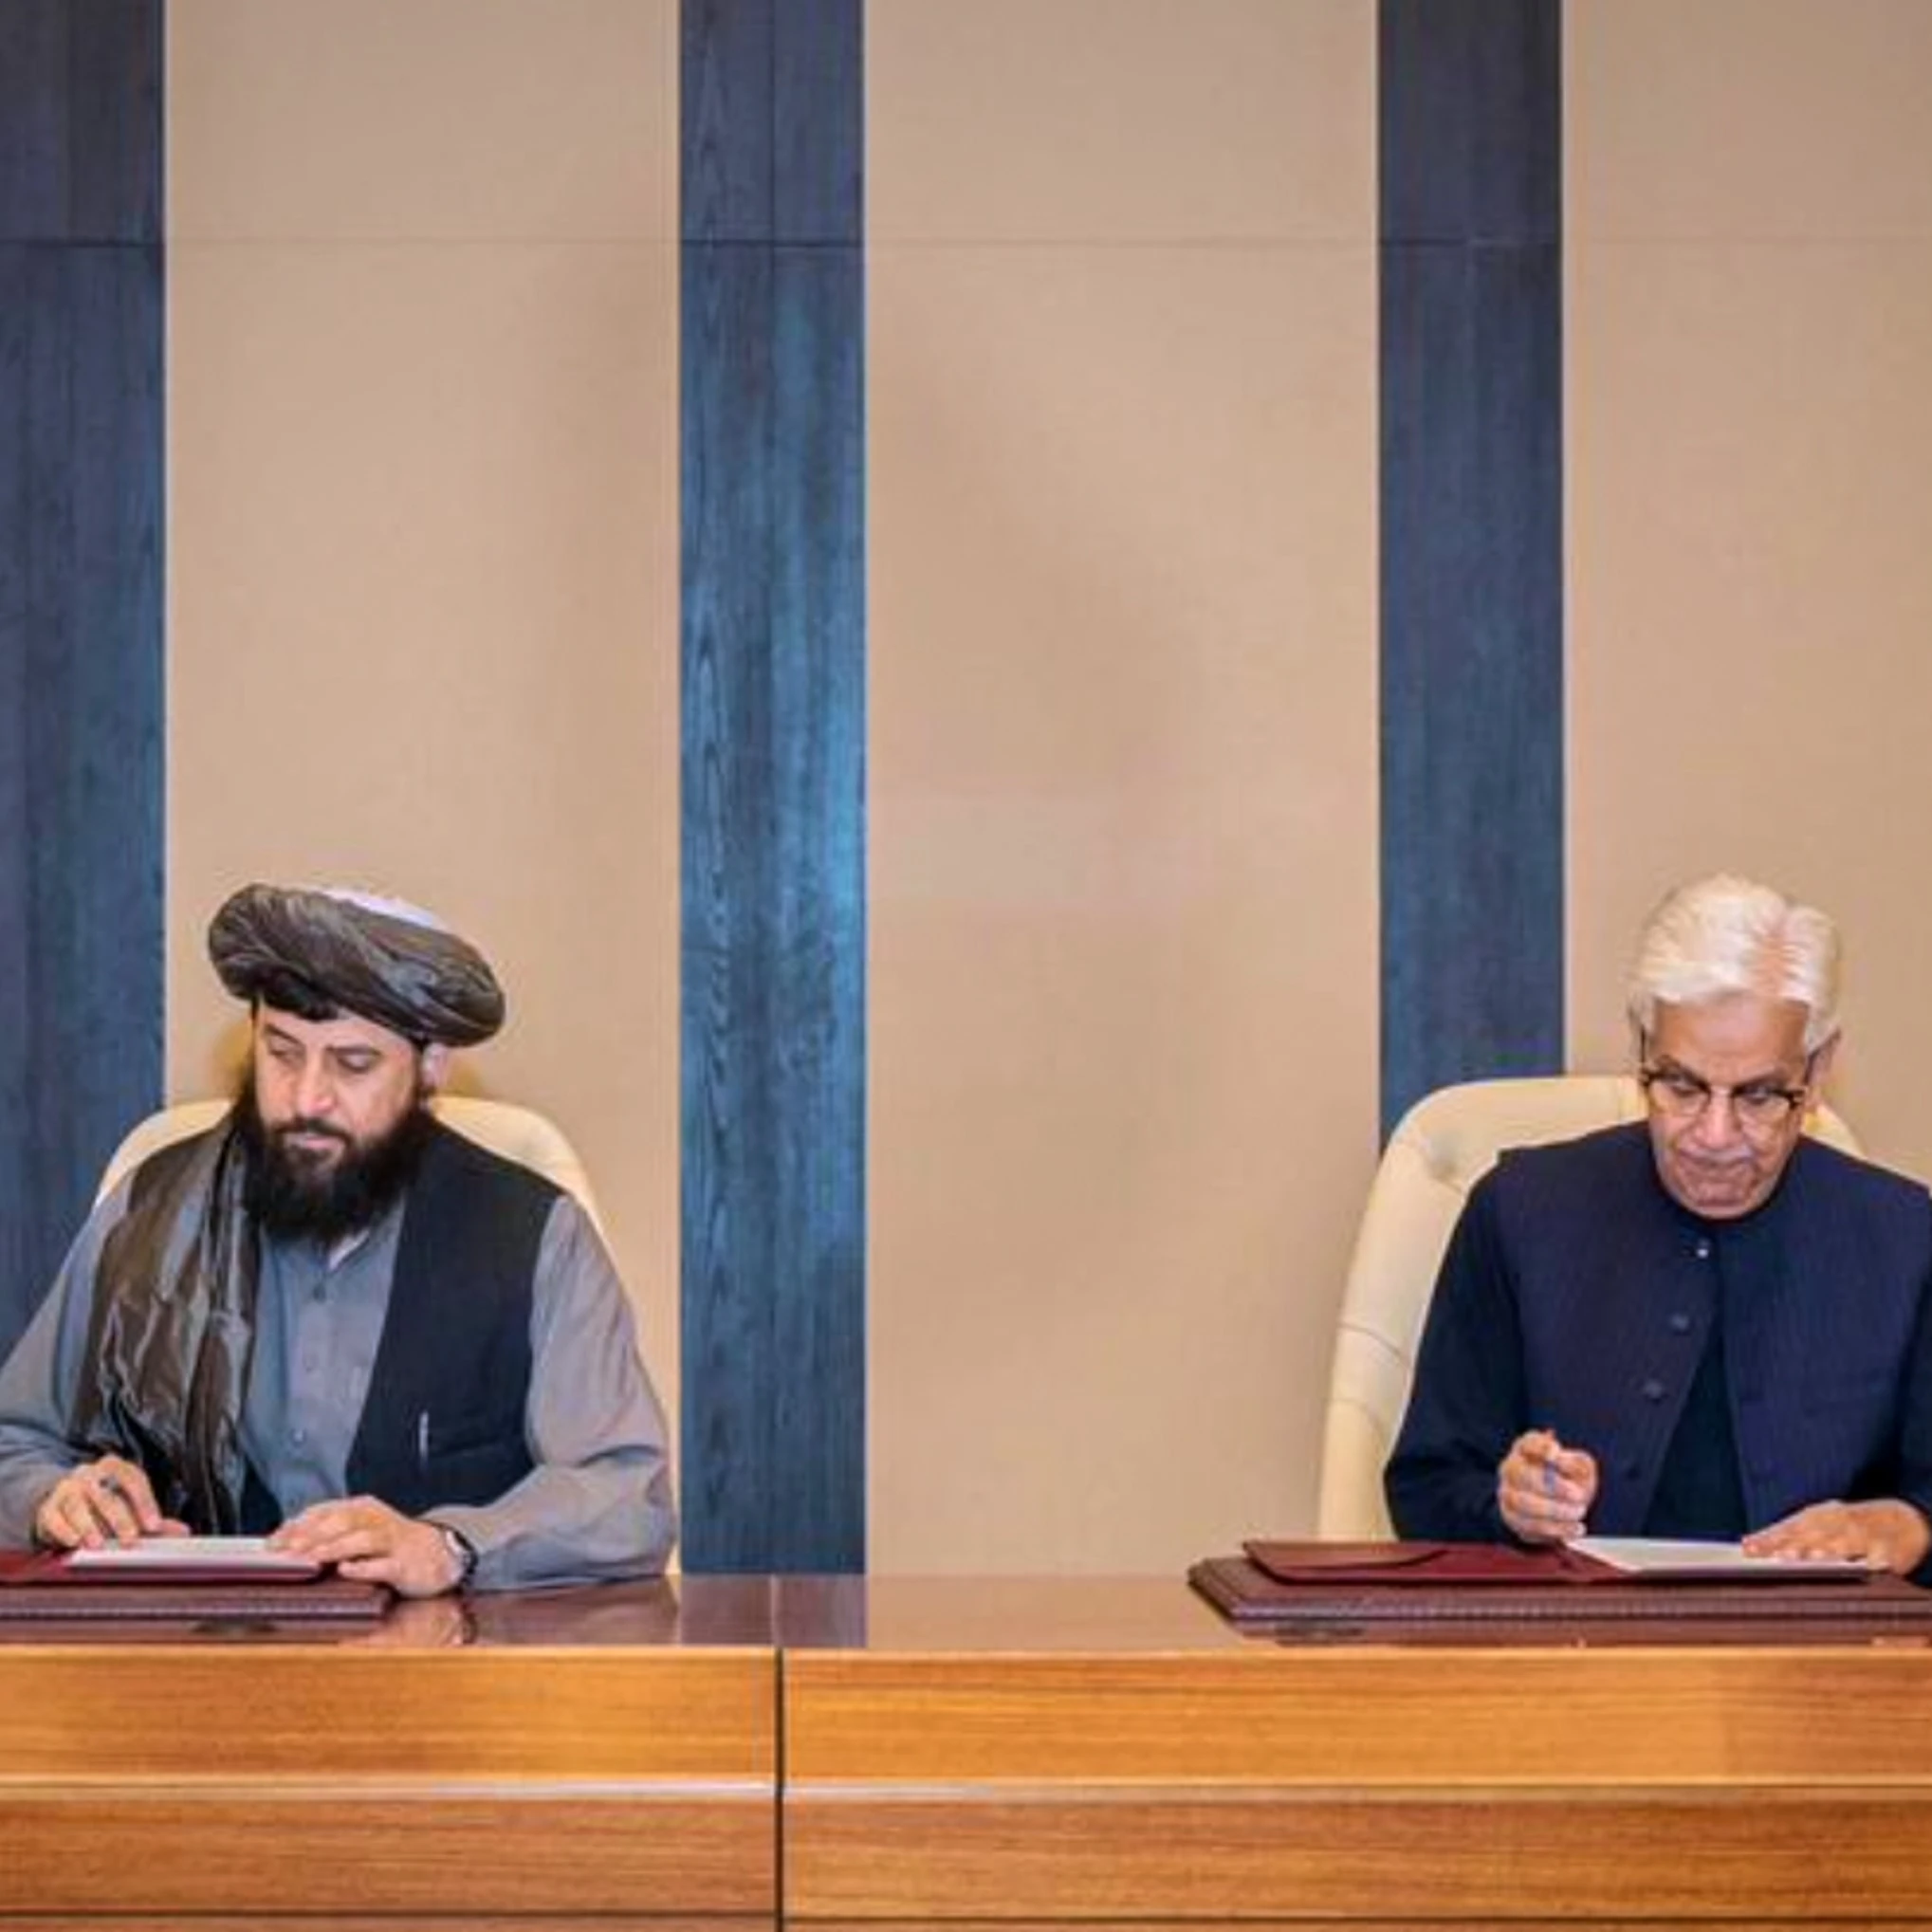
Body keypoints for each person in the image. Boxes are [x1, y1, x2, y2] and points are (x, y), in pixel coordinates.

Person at [0, 883, 676, 1595]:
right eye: (282, 1052)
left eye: (352, 1064)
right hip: (188, 1668)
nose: (306, 1099)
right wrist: (52, 1498)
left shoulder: (533, 1234)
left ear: (430, 1066)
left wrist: (451, 1544)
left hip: (441, 1675)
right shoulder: (149, 1211)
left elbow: (626, 1492)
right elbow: (13, 1441)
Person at [1386, 874, 1932, 1575]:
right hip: (1571, 1666)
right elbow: (1426, 1487)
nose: (1712, 1133)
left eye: (1759, 1095)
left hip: (1817, 1668)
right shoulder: (1516, 1211)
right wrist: (1507, 1502)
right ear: (1641, 1046)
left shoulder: (1905, 1238)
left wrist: (1906, 1523)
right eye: (1679, 1085)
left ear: (1818, 1068)